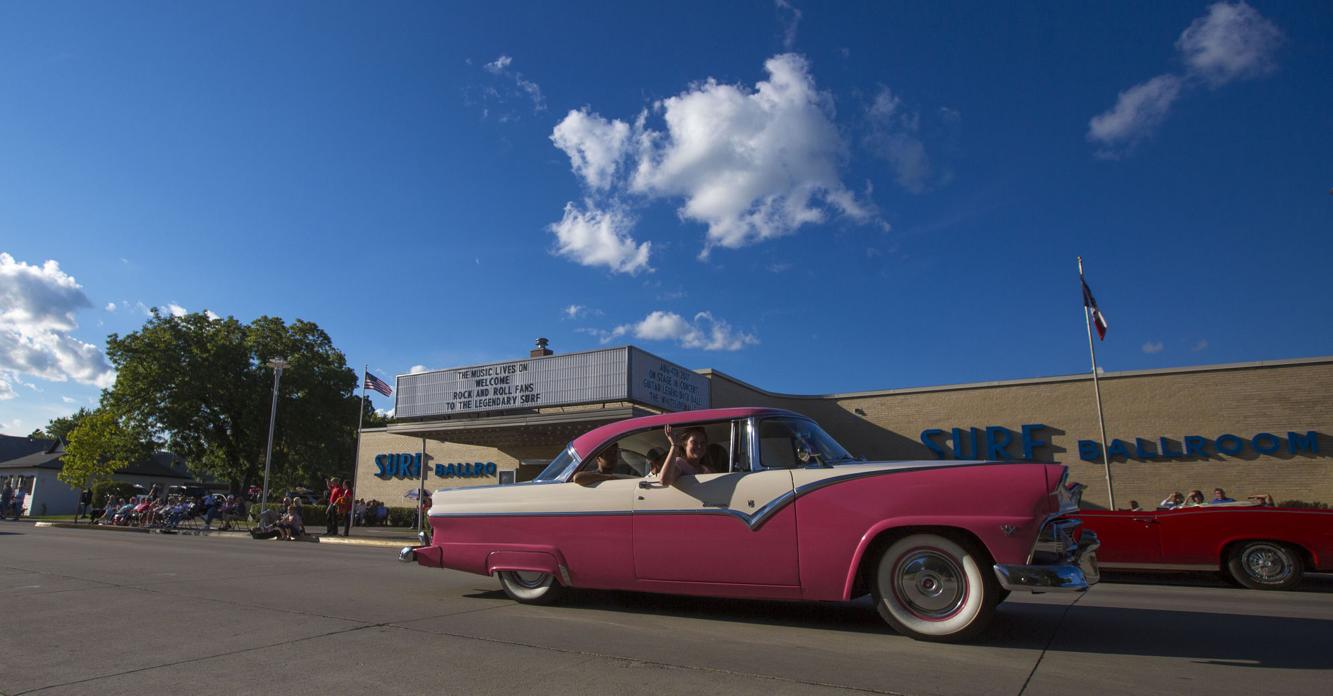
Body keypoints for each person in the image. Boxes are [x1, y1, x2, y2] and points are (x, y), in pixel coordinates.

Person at [573, 442, 637, 485]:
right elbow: (577, 478)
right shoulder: (593, 475)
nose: (613, 457)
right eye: (608, 454)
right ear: (598, 458)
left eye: (615, 453)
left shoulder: (625, 472)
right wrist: (609, 477)